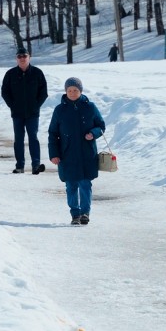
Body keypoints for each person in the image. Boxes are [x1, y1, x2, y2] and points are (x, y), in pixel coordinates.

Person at [48, 77, 106, 225]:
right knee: (71, 185)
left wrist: (93, 133)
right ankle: (75, 213)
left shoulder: (90, 107)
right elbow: (53, 133)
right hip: (67, 154)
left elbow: (101, 126)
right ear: (65, 91)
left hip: (87, 153)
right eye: (70, 90)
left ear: (81, 91)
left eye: (75, 90)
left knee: (85, 184)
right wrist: (54, 154)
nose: (72, 93)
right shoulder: (60, 110)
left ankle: (85, 212)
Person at [1, 46, 48, 174]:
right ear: (16, 59)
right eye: (19, 56)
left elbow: (43, 93)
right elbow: (5, 92)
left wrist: (36, 105)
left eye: (24, 56)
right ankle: (20, 166)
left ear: (29, 57)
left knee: (33, 137)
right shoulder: (10, 74)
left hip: (33, 113)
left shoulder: (37, 73)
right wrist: (12, 105)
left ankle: (36, 165)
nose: (22, 58)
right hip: (17, 113)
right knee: (19, 139)